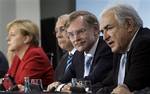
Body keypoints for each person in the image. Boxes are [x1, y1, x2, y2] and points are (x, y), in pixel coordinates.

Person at [98, 4, 150, 94]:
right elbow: (109, 84)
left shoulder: (144, 43)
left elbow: (128, 87)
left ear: (129, 24)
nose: (105, 37)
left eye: (109, 28)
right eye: (102, 32)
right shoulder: (120, 48)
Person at [60, 10, 113, 93]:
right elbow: (64, 79)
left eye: (81, 31)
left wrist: (70, 86)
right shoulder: (77, 54)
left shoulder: (107, 48)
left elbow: (93, 78)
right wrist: (58, 84)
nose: (76, 39)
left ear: (95, 30)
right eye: (71, 34)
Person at [2, 19, 54, 91]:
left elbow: (19, 86)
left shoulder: (35, 54)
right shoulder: (18, 56)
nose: (7, 39)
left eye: (12, 35)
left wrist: (9, 83)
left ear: (26, 38)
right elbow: (6, 83)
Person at [47, 14, 76, 91]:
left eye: (62, 29)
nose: (58, 35)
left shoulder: (84, 55)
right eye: (56, 31)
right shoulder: (63, 59)